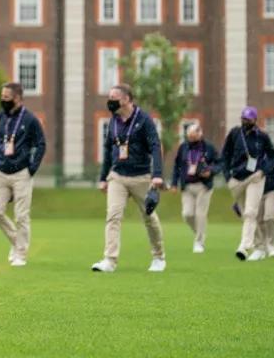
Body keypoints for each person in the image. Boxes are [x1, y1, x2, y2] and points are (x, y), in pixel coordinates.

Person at [92, 84, 165, 274]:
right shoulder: (114, 121)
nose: (110, 100)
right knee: (113, 216)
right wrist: (103, 178)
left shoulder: (144, 120)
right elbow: (108, 149)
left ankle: (158, 257)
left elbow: (156, 147)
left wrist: (157, 175)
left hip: (141, 177)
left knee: (149, 218)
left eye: (114, 97)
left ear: (126, 99)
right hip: (117, 176)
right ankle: (109, 260)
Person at [0, 82, 46, 267]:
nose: (3, 100)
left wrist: (32, 168)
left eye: (6, 98)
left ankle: (20, 254)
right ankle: (16, 242)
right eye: (2, 97)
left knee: (21, 216)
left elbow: (41, 144)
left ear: (18, 98)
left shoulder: (30, 120)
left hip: (21, 174)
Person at [220, 107, 274, 261]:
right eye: (243, 118)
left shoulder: (262, 137)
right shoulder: (234, 134)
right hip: (237, 178)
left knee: (250, 213)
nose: (245, 121)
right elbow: (224, 155)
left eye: (248, 119)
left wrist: (263, 171)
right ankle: (259, 247)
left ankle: (244, 247)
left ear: (255, 120)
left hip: (255, 177)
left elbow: (273, 156)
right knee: (245, 215)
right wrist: (227, 177)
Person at [170, 122, 221, 253]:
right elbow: (177, 166)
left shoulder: (208, 147)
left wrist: (211, 170)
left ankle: (199, 242)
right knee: (187, 214)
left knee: (200, 214)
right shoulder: (183, 147)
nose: (191, 139)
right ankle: (200, 233)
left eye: (193, 136)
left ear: (200, 133)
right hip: (187, 186)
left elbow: (219, 163)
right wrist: (174, 183)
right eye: (189, 137)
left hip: (204, 186)